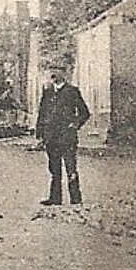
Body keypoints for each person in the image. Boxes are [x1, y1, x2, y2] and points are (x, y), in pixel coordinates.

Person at [35, 64, 91, 205]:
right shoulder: (47, 92)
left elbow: (85, 112)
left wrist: (75, 124)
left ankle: (76, 199)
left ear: (64, 74)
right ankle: (55, 198)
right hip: (51, 137)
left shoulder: (72, 91)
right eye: (51, 71)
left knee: (70, 167)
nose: (53, 74)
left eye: (57, 71)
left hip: (67, 137)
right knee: (54, 168)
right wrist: (40, 135)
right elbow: (42, 114)